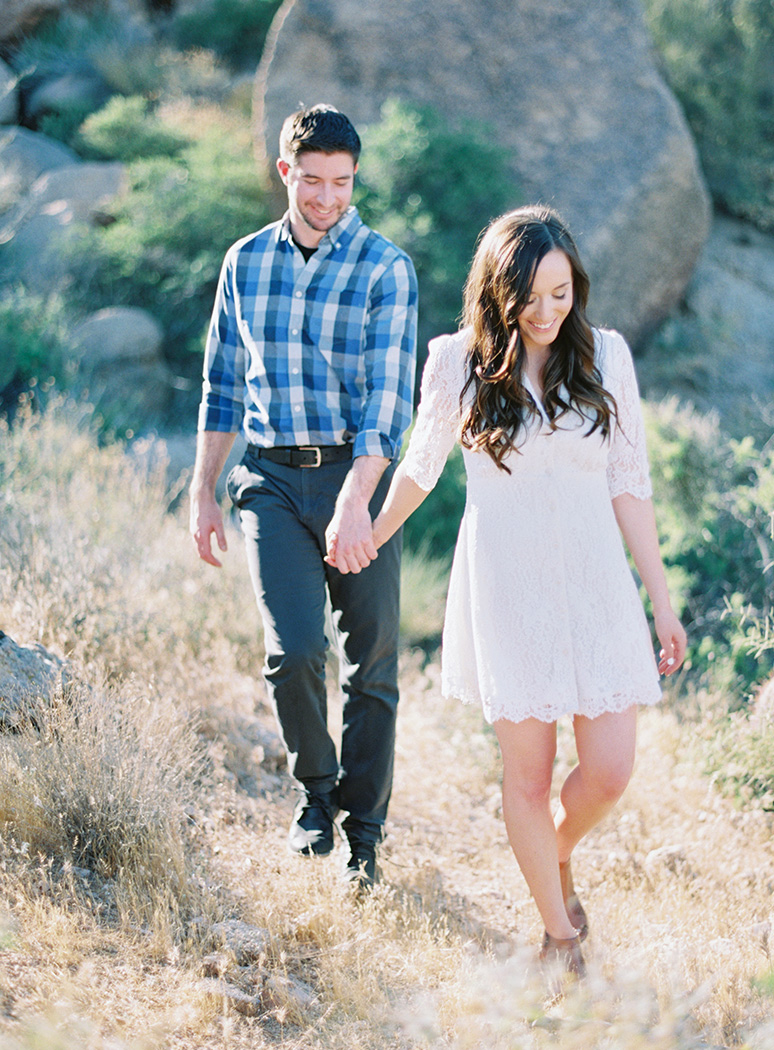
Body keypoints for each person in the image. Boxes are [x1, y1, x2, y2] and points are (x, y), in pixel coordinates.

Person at [329, 205, 685, 970]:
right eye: (531, 297)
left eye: (561, 293)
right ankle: (560, 939)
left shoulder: (606, 357)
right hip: (507, 587)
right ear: (498, 292)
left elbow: (630, 483)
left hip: (596, 583)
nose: (548, 311)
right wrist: (369, 536)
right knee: (526, 776)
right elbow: (420, 467)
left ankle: (556, 853)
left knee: (609, 771)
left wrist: (661, 601)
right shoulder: (456, 362)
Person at [189, 104, 418, 888]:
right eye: (313, 180)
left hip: (358, 476)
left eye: (341, 182)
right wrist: (203, 491)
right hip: (273, 480)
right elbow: (222, 384)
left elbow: (388, 403)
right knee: (293, 652)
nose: (326, 197)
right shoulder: (245, 262)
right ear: (286, 171)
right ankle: (317, 793)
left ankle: (366, 835)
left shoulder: (386, 268)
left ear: (355, 178)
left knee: (372, 663)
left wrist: (358, 502)